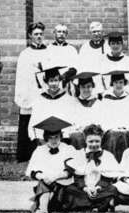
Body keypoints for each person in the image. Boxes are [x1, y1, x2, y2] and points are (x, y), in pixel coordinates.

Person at [25, 116, 79, 213]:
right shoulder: (40, 150)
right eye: (50, 138)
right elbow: (30, 171)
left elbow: (70, 171)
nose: (54, 140)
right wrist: (43, 177)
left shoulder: (68, 149)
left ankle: (40, 210)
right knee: (43, 184)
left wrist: (54, 177)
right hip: (46, 182)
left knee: (44, 186)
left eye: (56, 137)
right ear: (45, 138)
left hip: (62, 185)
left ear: (61, 136)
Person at [62, 124, 121, 212]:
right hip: (84, 188)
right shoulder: (79, 154)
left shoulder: (107, 155)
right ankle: (100, 205)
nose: (94, 144)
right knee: (68, 189)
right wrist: (85, 188)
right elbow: (78, 176)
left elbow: (108, 177)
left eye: (97, 141)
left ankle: (85, 205)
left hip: (101, 188)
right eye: (91, 141)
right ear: (85, 140)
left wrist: (98, 187)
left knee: (113, 189)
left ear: (101, 140)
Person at [15, 22, 51, 162]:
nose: (39, 37)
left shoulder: (48, 52)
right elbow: (21, 76)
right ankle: (27, 155)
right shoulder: (25, 54)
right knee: (28, 122)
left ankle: (46, 153)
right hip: (29, 91)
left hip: (43, 90)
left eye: (41, 34)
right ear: (30, 36)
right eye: (36, 34)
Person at [99, 71, 129, 162]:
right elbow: (103, 118)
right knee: (114, 135)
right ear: (112, 83)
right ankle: (111, 164)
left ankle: (125, 165)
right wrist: (112, 127)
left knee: (123, 135)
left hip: (126, 130)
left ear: (124, 83)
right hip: (110, 131)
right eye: (116, 82)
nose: (119, 85)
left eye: (121, 82)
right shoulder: (106, 100)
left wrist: (126, 127)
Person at [28, 66, 79, 145]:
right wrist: (38, 138)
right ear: (47, 82)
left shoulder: (67, 99)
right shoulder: (40, 100)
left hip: (63, 139)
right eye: (51, 81)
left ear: (59, 81)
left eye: (56, 80)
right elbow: (34, 121)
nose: (54, 84)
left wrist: (65, 137)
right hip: (44, 139)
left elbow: (72, 120)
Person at [71, 72, 104, 149]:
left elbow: (101, 122)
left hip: (94, 133)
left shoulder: (98, 103)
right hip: (79, 133)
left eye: (88, 86)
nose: (86, 89)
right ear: (79, 87)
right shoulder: (74, 103)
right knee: (76, 136)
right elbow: (72, 121)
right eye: (83, 87)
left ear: (92, 87)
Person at [77, 21, 110, 94]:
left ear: (102, 32)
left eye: (99, 32)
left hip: (106, 83)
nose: (96, 34)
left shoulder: (108, 46)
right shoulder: (85, 47)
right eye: (94, 32)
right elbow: (80, 66)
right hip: (90, 84)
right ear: (90, 33)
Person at [47, 24, 78, 95]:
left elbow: (75, 67)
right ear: (54, 33)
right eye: (59, 32)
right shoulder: (48, 49)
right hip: (52, 83)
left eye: (64, 32)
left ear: (66, 34)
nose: (61, 34)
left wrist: (65, 76)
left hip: (67, 82)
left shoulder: (71, 49)